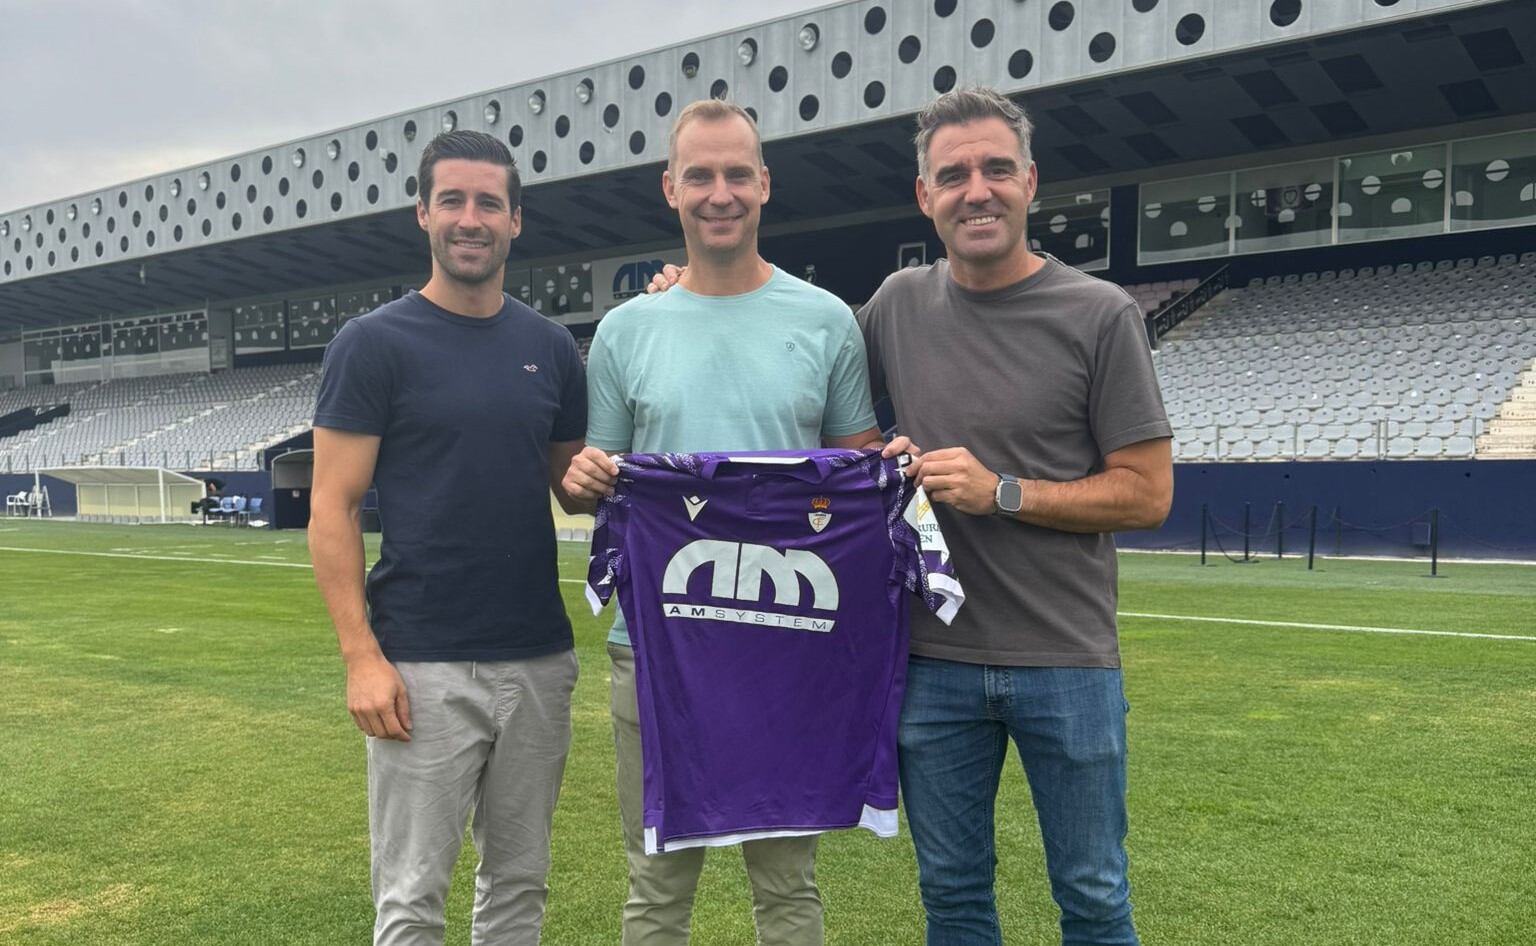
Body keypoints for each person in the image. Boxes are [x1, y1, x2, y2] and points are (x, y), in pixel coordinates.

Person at [560, 99, 898, 946]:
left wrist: (897, 467)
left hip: (787, 641)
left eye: (737, 174)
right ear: (671, 189)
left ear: (765, 185)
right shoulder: (625, 331)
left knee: (788, 888)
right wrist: (582, 479)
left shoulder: (826, 321)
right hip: (654, 649)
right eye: (701, 176)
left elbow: (859, 475)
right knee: (655, 884)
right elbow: (595, 486)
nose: (721, 193)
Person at [861, 87, 1173, 945]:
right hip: (932, 662)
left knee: (1095, 897)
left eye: (997, 168)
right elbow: (810, 379)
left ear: (1031, 181)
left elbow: (1148, 493)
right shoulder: (895, 304)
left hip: (1066, 662)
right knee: (953, 897)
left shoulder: (1101, 313)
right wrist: (687, 284)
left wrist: (1004, 491)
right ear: (925, 196)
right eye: (953, 175)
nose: (978, 190)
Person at [308, 129, 587, 946]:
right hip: (420, 665)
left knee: (519, 889)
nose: (472, 219)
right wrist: (361, 657)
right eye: (454, 201)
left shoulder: (548, 348)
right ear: (424, 212)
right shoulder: (373, 343)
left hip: (539, 658)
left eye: (489, 203)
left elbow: (577, 485)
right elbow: (333, 508)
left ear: (515, 221)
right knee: (410, 899)